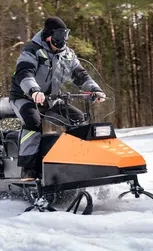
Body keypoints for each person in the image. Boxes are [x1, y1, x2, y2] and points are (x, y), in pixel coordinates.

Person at [9, 16, 106, 180]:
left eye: (64, 37)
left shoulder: (67, 54)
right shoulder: (31, 50)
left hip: (51, 98)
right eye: (58, 37)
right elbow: (24, 73)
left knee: (77, 119)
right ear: (48, 37)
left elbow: (80, 75)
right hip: (24, 97)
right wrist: (34, 90)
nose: (61, 42)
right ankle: (28, 169)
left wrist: (95, 90)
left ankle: (76, 162)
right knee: (33, 122)